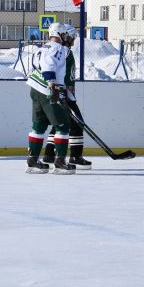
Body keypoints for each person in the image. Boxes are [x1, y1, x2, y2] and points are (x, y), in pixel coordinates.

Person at [25, 23, 74, 174]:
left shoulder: (42, 48)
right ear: (59, 34)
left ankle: (32, 161)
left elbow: (35, 66)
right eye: (65, 34)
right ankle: (59, 162)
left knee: (39, 125)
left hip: (35, 88)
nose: (66, 37)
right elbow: (49, 65)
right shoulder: (58, 48)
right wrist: (53, 85)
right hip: (49, 90)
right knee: (63, 126)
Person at [42, 26, 92, 169]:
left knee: (60, 124)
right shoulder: (65, 52)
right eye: (71, 37)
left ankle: (49, 154)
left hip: (57, 92)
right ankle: (75, 157)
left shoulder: (54, 50)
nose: (73, 41)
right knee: (77, 124)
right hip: (63, 93)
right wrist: (68, 95)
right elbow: (66, 78)